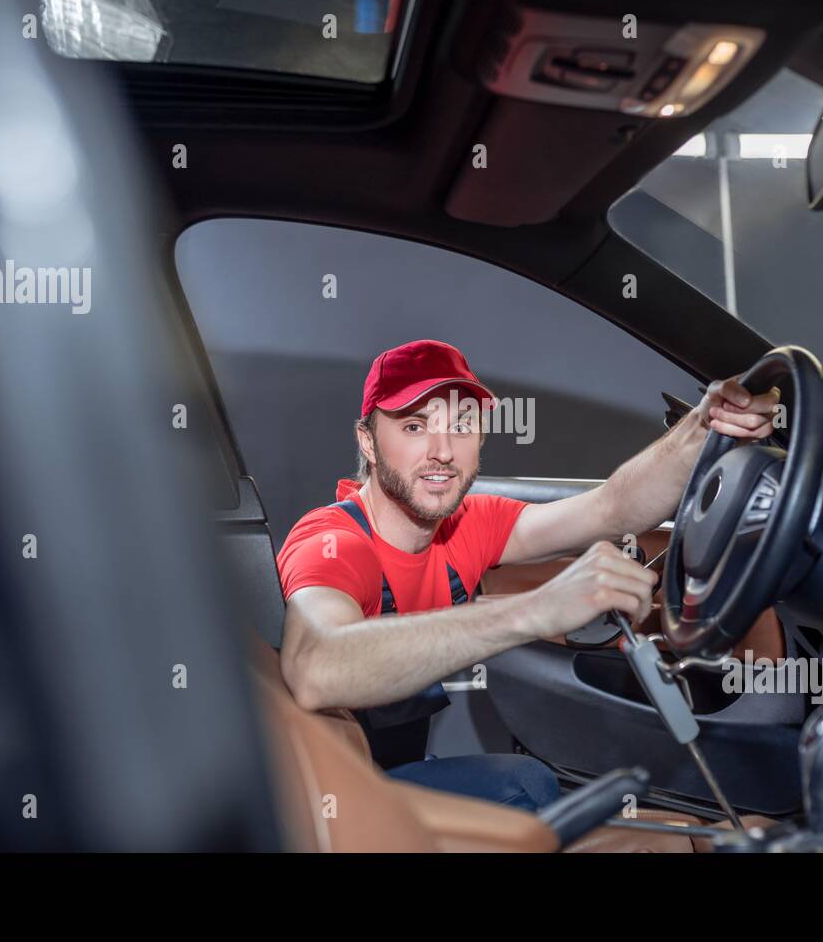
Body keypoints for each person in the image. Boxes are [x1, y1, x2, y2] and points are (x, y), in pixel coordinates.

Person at [276, 339, 777, 811]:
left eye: (462, 426)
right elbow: (316, 669)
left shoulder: (466, 527)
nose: (443, 450)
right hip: (324, 804)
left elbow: (611, 509)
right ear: (367, 441)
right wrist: (534, 610)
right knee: (525, 787)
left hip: (383, 776)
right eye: (414, 427)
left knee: (535, 786)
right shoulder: (334, 543)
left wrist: (702, 428)